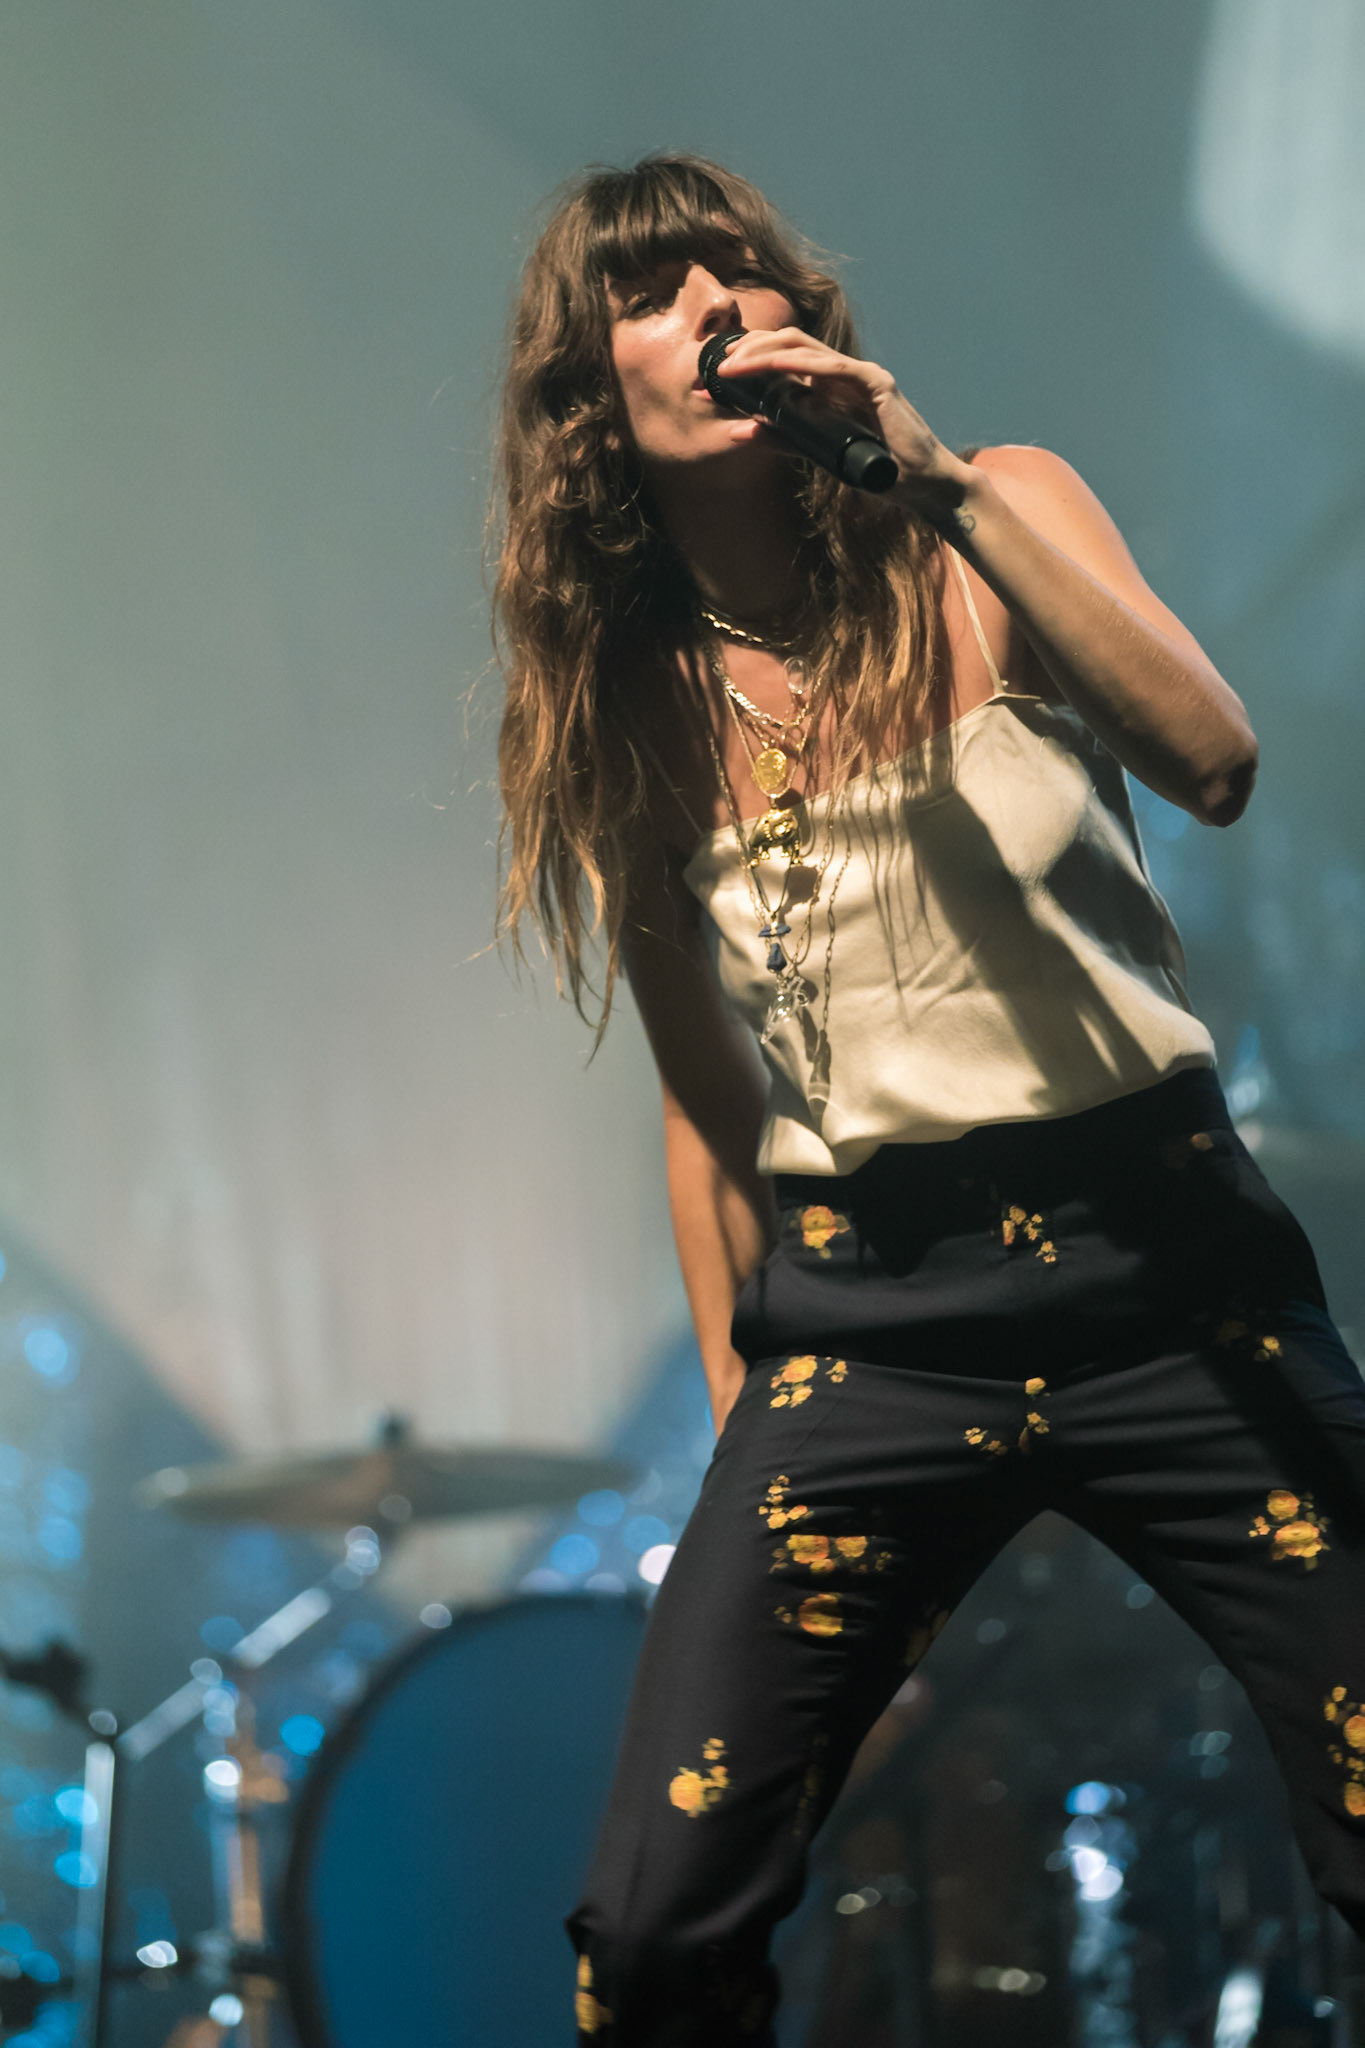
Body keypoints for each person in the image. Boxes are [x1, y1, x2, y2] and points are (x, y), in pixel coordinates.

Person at [491, 154, 1365, 2046]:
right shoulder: (633, 707)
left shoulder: (996, 518)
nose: (716, 298)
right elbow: (706, 1109)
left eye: (739, 264)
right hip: (873, 1324)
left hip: (1166, 1268)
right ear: (592, 397)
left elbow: (1210, 760)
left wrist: (941, 479)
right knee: (650, 1936)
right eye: (655, 288)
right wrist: (753, 1445)